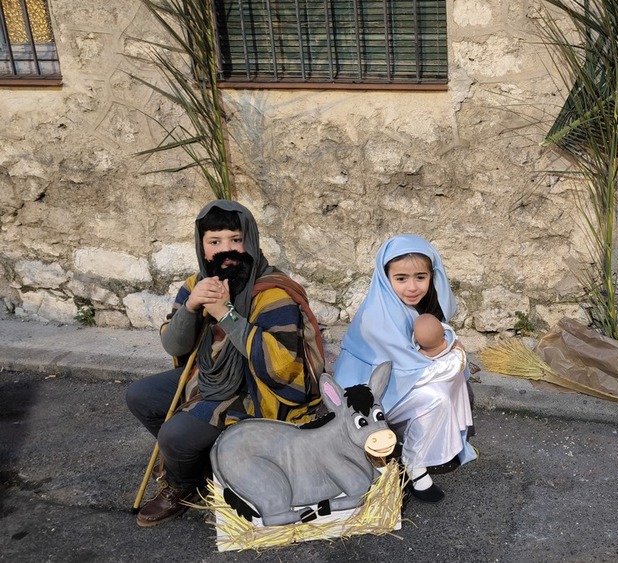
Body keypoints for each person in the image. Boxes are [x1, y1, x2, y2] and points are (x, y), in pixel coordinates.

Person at [126, 200, 324, 527]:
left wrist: (225, 316)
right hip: (211, 377)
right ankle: (199, 467)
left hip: (257, 389)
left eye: (236, 239)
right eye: (214, 242)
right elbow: (174, 345)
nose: (226, 250)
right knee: (141, 396)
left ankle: (180, 485)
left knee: (175, 436)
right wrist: (190, 308)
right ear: (201, 247)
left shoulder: (273, 292)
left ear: (252, 240)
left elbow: (282, 364)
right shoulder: (196, 285)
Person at [333, 235, 475, 503]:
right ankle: (414, 466)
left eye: (420, 277)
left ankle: (415, 459)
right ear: (385, 277)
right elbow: (416, 370)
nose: (412, 287)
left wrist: (446, 351)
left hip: (395, 385)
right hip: (368, 400)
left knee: (449, 386)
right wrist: (455, 356)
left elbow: (419, 361)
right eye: (401, 279)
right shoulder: (377, 315)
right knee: (436, 396)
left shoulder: (412, 308)